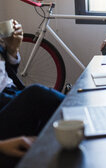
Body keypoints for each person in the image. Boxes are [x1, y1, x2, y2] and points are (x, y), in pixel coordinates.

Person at [0, 19, 64, 166]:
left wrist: (12, 50)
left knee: (51, 127)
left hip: (9, 97)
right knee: (36, 94)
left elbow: (4, 76)